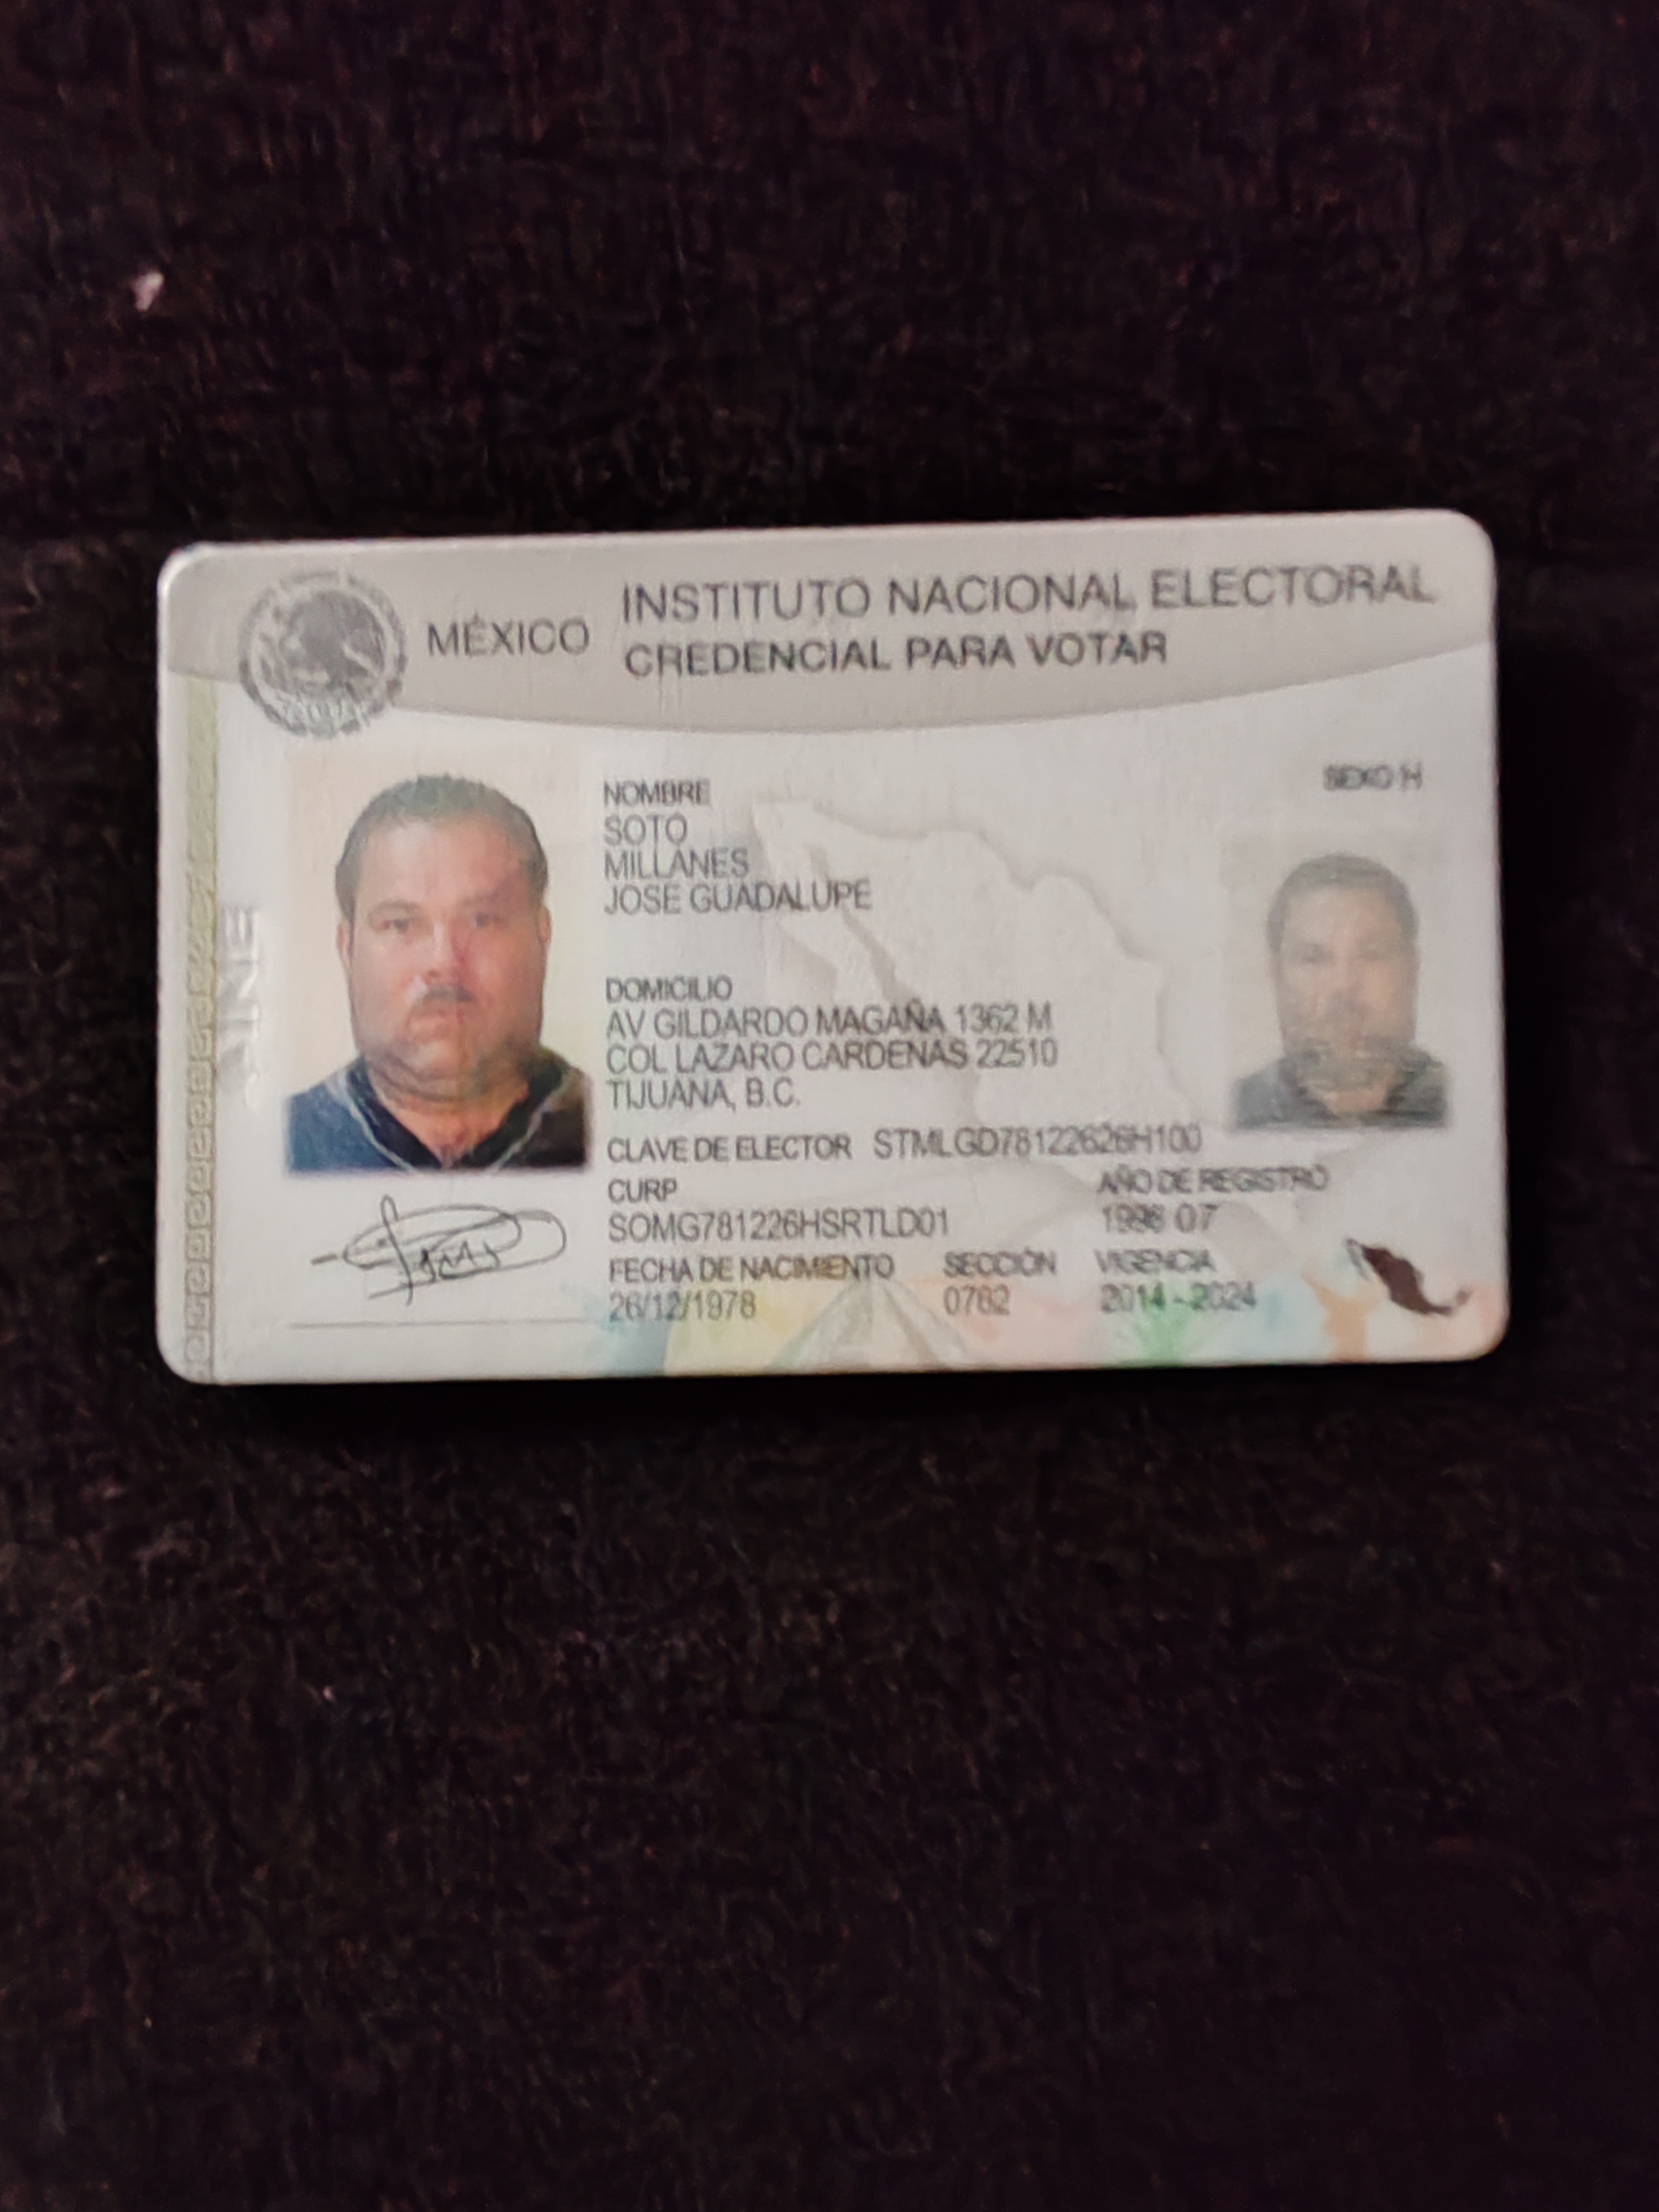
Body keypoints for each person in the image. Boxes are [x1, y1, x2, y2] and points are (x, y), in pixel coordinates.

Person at [287, 775, 588, 1171]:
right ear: (348, 948)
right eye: (401, 925)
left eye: (482, 920)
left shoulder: (620, 1137)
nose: (444, 963)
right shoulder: (278, 1148)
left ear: (542, 936)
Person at [1233, 853, 1447, 1129]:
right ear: (1276, 975)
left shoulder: (1469, 1104)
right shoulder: (1235, 1113)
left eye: (1371, 955)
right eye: (1313, 958)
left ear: (1412, 970)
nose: (1343, 985)